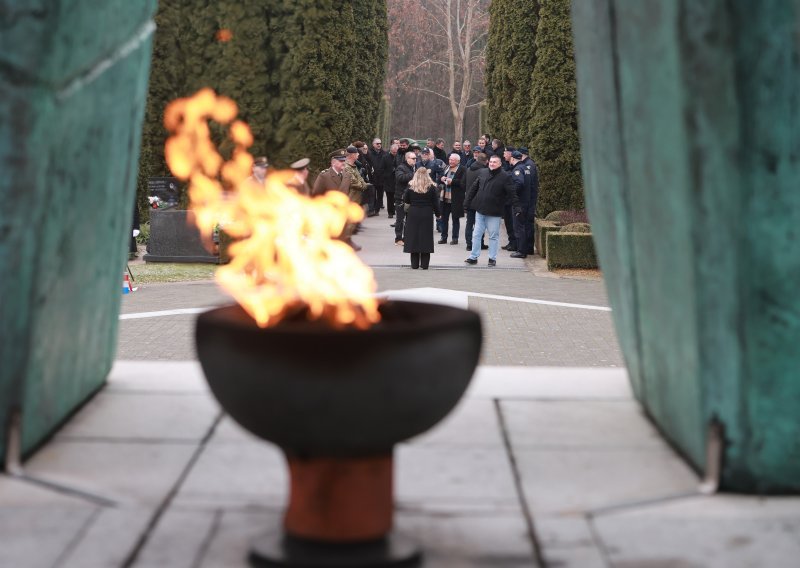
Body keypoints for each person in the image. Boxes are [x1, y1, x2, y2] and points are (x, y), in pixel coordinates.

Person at [463, 155, 521, 267]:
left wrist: (517, 207)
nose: (492, 164)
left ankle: (492, 258)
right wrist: (466, 203)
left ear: (500, 164)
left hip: (494, 212)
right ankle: (473, 257)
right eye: (491, 162)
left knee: (493, 236)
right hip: (480, 210)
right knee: (476, 234)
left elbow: (512, 193)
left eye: (495, 162)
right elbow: (473, 188)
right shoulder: (483, 172)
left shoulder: (505, 176)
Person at [311, 149, 361, 250]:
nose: (344, 163)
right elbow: (316, 194)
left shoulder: (347, 175)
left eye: (344, 160)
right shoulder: (324, 176)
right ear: (333, 162)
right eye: (341, 161)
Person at [403, 167, 441, 269]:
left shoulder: (411, 186)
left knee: (414, 238)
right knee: (426, 238)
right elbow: (435, 203)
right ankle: (425, 265)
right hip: (427, 213)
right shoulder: (431, 187)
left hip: (413, 213)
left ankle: (414, 265)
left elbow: (406, 199)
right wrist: (438, 214)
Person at [508, 151, 533, 258]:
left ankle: (521, 251)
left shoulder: (517, 169)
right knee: (524, 225)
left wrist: (512, 192)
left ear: (513, 159)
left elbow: (519, 183)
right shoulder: (526, 168)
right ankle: (525, 249)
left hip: (519, 203)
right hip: (526, 201)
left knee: (518, 226)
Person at [438, 153, 466, 245]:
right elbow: (440, 178)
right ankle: (443, 237)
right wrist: (441, 178)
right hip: (445, 198)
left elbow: (463, 183)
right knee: (444, 219)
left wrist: (452, 181)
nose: (450, 161)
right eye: (450, 159)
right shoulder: (446, 167)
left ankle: (455, 238)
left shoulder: (462, 169)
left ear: (458, 161)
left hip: (455, 199)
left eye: (453, 160)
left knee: (455, 219)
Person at [463, 152, 489, 251]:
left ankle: (469, 244)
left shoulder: (468, 169)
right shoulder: (484, 171)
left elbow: (463, 184)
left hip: (469, 200)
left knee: (469, 223)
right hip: (479, 201)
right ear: (486, 161)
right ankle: (480, 243)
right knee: (480, 223)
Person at [394, 151, 417, 246]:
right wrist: (414, 175)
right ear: (407, 158)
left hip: (411, 197)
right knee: (400, 219)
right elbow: (400, 178)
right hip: (401, 197)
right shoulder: (400, 167)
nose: (415, 160)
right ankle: (398, 238)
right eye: (413, 158)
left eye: (416, 158)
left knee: (410, 219)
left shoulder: (415, 167)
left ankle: (407, 238)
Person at [368, 138, 387, 214]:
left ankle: (377, 209)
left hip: (381, 177)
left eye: (380, 143)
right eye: (377, 143)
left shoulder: (384, 153)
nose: (379, 145)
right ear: (373, 144)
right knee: (372, 194)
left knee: (380, 195)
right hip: (372, 177)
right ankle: (372, 208)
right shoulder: (369, 153)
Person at [384, 142, 399, 218]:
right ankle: (390, 212)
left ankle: (396, 210)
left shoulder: (399, 157)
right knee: (389, 197)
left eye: (396, 152)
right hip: (388, 180)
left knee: (396, 198)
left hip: (397, 180)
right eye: (393, 152)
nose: (394, 154)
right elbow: (382, 168)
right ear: (390, 150)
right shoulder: (385, 157)